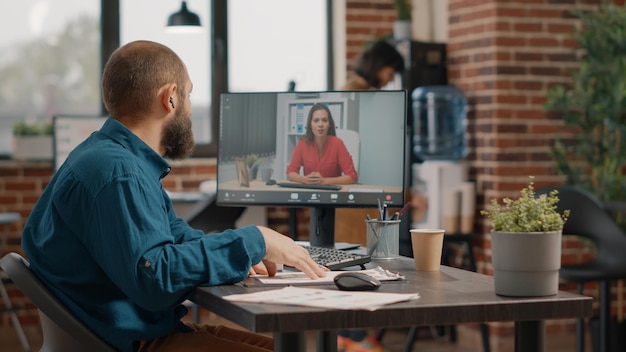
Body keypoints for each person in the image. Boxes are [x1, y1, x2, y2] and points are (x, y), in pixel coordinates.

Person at [21, 40, 327, 352]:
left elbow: (171, 235)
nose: (191, 109)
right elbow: (156, 277)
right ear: (170, 98)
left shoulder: (109, 156)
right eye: (189, 94)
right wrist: (255, 240)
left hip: (128, 329)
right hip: (134, 342)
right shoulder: (119, 173)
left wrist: (239, 253)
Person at [336, 39, 405, 352]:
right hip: (357, 192)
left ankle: (356, 336)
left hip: (352, 189)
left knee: (355, 261)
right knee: (358, 261)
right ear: (380, 65)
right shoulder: (360, 93)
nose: (391, 78)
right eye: (391, 71)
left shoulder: (349, 88)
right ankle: (355, 338)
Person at [287, 102, 358, 185]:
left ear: (329, 124)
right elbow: (291, 172)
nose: (320, 124)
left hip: (332, 193)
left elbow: (352, 176)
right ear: (310, 124)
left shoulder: (338, 144)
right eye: (316, 121)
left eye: (324, 120)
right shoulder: (302, 143)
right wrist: (305, 179)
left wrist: (324, 181)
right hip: (310, 191)